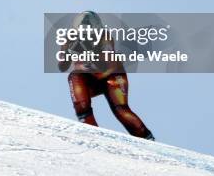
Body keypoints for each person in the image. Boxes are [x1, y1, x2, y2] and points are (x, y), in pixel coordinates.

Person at [59, 11, 155, 140]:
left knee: (120, 109)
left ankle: (146, 137)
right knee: (74, 78)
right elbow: (62, 66)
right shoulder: (70, 39)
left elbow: (109, 64)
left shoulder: (104, 36)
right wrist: (67, 53)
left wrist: (90, 56)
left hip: (112, 76)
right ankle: (89, 127)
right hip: (91, 78)